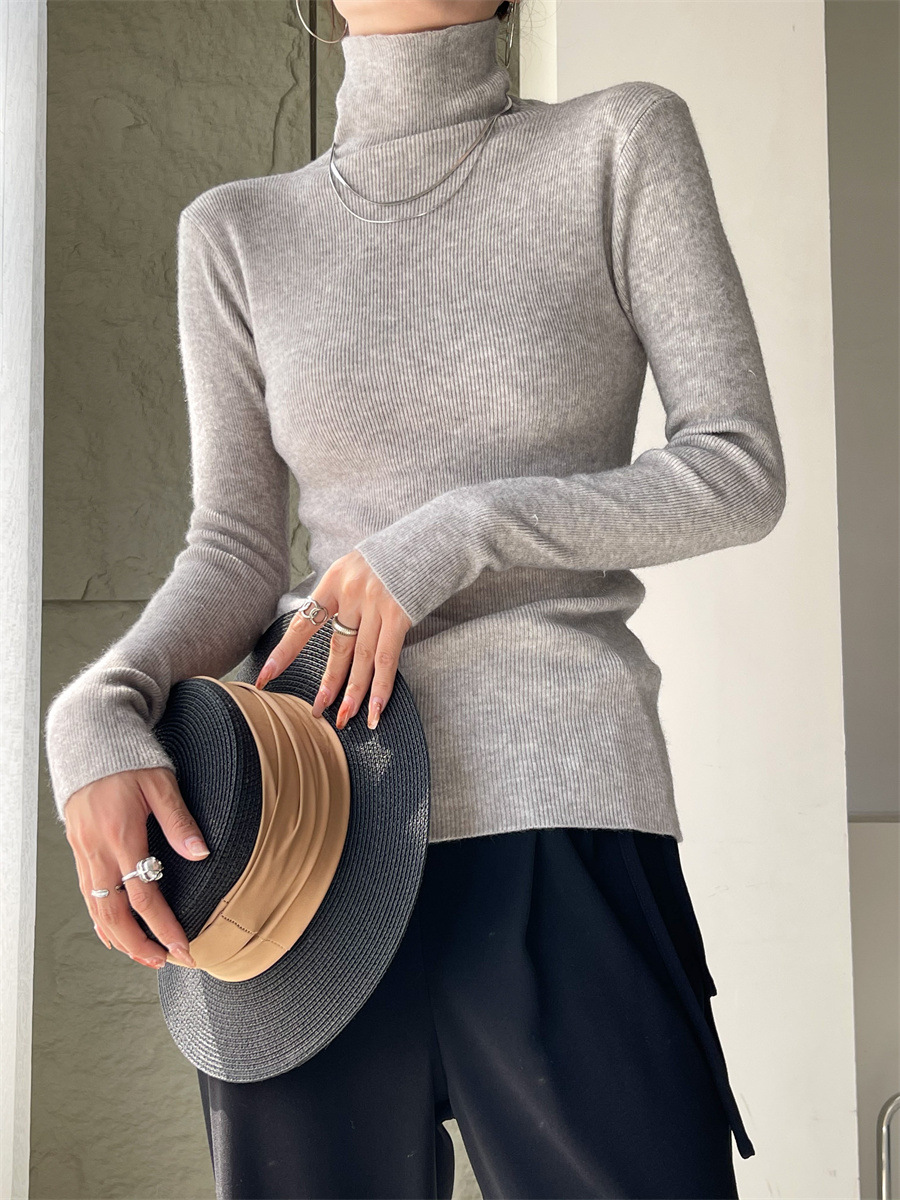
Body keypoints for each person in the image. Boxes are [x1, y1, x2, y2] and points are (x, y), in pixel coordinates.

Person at [44, 0, 786, 1195]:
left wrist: (458, 533)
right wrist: (97, 704)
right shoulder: (236, 231)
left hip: (556, 815)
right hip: (296, 846)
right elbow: (235, 550)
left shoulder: (618, 143)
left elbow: (737, 471)